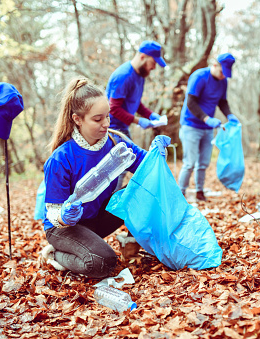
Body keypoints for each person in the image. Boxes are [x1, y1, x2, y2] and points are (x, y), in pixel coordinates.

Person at [40, 77, 170, 278]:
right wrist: (64, 217)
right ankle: (56, 254)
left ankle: (135, 242)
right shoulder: (61, 158)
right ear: (77, 119)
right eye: (97, 119)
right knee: (102, 262)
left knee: (138, 191)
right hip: (64, 228)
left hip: (95, 219)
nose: (106, 124)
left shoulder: (115, 142)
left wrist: (157, 152)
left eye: (108, 117)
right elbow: (53, 212)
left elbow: (146, 165)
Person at [177, 53, 239, 201]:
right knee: (190, 163)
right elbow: (191, 102)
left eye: (226, 74)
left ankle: (199, 192)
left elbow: (222, 102)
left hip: (207, 128)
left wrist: (230, 115)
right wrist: (206, 119)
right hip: (191, 125)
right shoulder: (199, 77)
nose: (223, 76)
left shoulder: (223, 82)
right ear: (215, 65)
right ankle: (180, 194)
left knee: (203, 162)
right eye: (222, 72)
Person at [106, 40, 167, 189]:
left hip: (123, 127)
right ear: (142, 57)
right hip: (113, 129)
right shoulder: (124, 76)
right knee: (119, 168)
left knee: (124, 167)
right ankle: (109, 205)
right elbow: (113, 108)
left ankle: (114, 203)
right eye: (153, 62)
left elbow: (135, 102)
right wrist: (138, 121)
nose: (153, 67)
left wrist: (151, 115)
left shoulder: (140, 76)